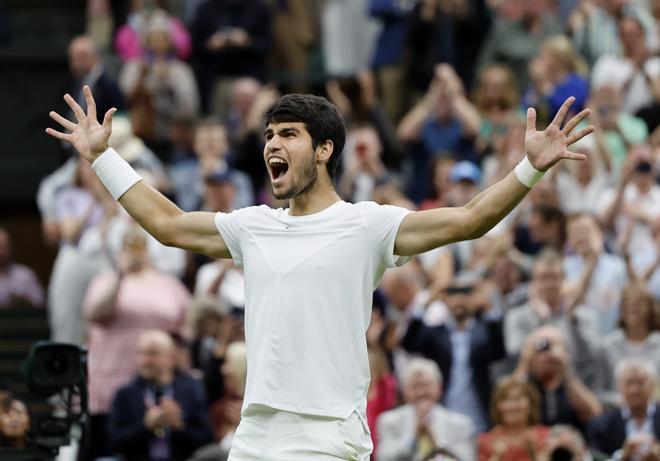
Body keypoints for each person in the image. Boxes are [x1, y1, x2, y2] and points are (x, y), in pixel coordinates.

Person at [46, 85, 592, 459]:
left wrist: (529, 168)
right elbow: (167, 224)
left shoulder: (368, 225)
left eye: (287, 134)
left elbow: (471, 220)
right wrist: (103, 157)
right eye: (267, 136)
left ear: (325, 149)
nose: (272, 146)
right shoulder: (251, 225)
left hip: (329, 435)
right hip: (255, 435)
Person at [108, 330, 214, 461]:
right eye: (141, 353)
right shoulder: (125, 393)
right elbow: (112, 441)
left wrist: (179, 427)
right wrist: (146, 426)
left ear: (171, 358)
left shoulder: (191, 391)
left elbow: (207, 438)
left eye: (153, 354)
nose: (145, 360)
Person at [377, 358, 476, 461]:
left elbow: (467, 458)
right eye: (415, 386)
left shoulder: (461, 424)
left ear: (439, 387)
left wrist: (436, 439)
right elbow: (383, 458)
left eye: (426, 385)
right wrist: (413, 436)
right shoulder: (388, 421)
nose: (421, 392)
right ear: (404, 392)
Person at [587, 358, 660, 459]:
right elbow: (593, 458)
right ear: (619, 386)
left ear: (652, 385)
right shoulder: (601, 426)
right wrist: (622, 456)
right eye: (629, 383)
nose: (634, 390)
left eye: (640, 383)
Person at [477, 376, 549, 461]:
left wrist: (533, 454)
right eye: (506, 399)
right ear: (497, 407)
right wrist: (497, 456)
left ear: (531, 404)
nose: (513, 406)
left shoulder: (547, 438)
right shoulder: (485, 441)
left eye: (518, 398)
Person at [0, 227, 44, 308]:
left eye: (4, 247)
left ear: (10, 248)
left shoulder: (25, 274)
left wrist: (23, 301)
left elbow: (40, 304)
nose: (1, 252)